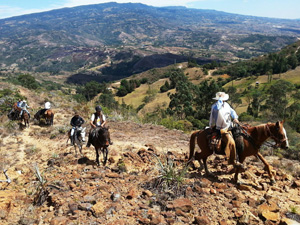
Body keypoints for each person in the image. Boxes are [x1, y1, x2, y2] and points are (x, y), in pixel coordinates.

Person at [209, 91, 242, 168]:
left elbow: (232, 111)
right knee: (232, 142)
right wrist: (220, 99)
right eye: (221, 98)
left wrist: (235, 118)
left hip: (228, 125)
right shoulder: (215, 106)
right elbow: (217, 109)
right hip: (221, 128)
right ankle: (233, 160)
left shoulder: (227, 105)